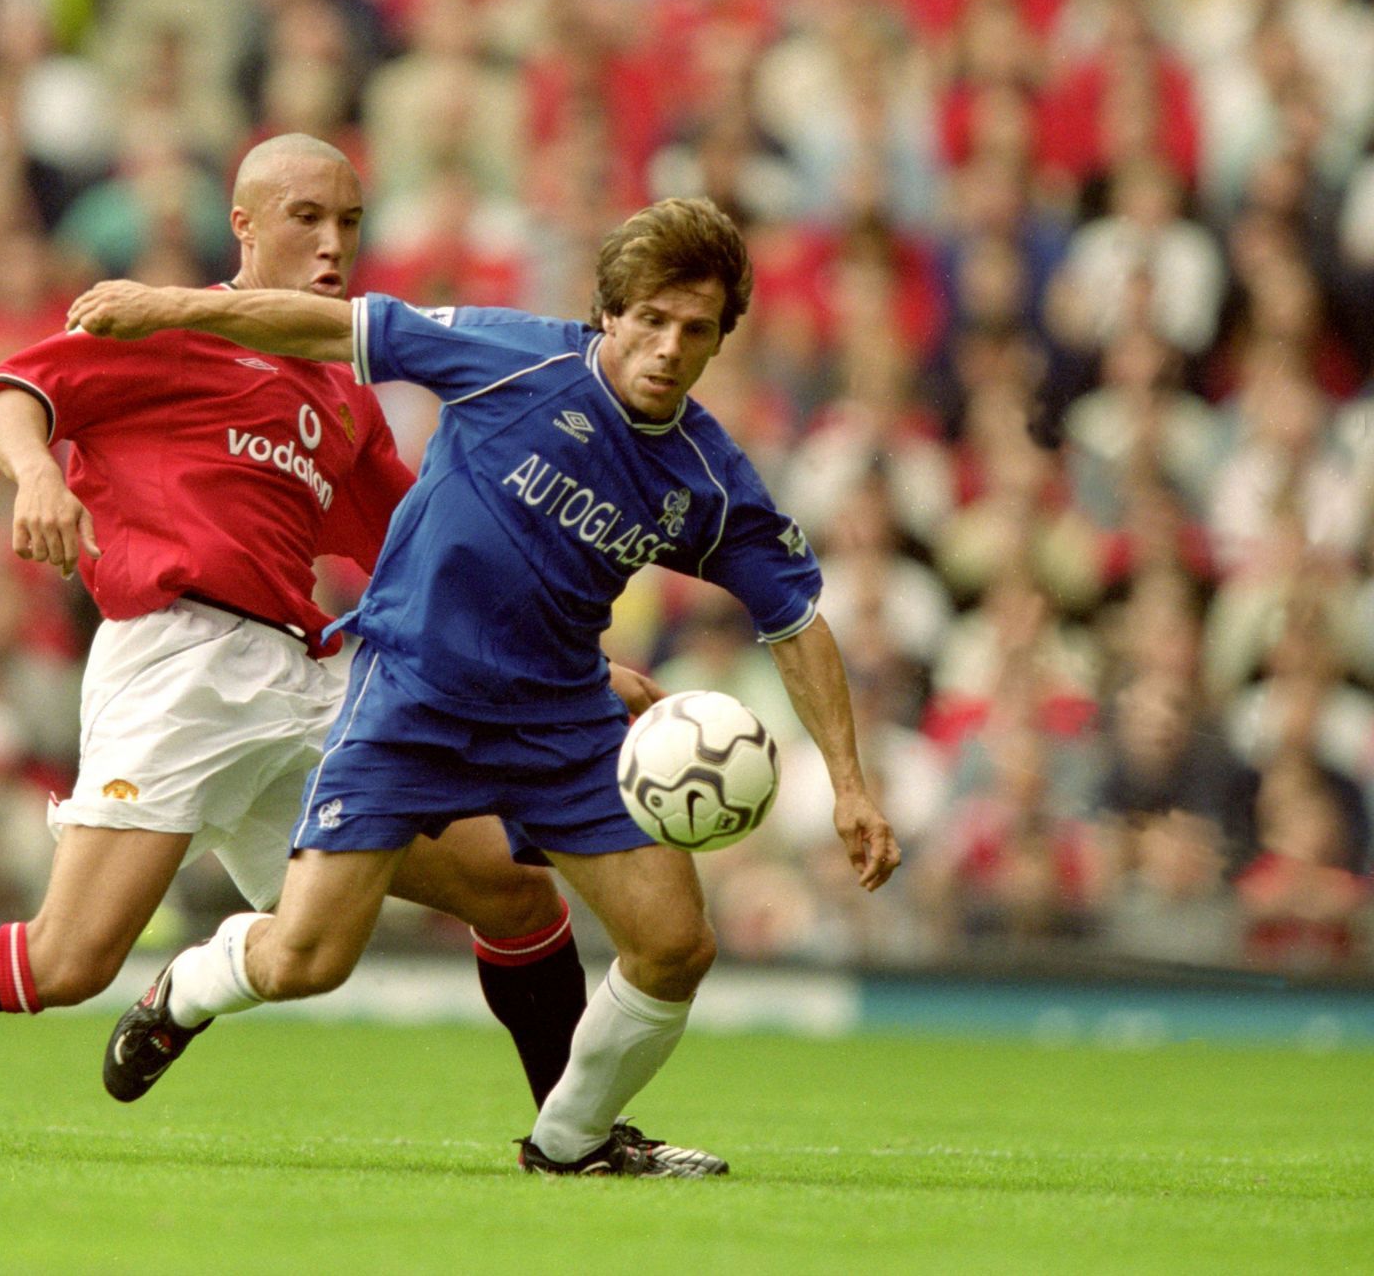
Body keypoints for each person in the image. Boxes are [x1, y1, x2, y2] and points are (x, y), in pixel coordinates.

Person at [0, 134, 649, 1139]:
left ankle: (576, 1140)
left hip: (302, 682)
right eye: (306, 217)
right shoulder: (174, 330)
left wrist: (567, 663)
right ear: (244, 226)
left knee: (510, 890)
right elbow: (15, 392)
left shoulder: (342, 397)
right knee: (65, 962)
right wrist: (40, 476)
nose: (332, 244)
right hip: (181, 664)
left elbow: (426, 558)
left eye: (348, 222)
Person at [71, 195, 901, 1177]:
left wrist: (848, 781)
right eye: (652, 320)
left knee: (676, 942)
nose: (669, 348)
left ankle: (571, 1142)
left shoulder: (705, 480)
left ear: (722, 340)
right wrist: (170, 307)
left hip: (560, 723)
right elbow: (330, 327)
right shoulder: (513, 357)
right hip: (410, 697)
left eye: (696, 330)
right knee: (309, 958)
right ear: (611, 314)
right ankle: (188, 991)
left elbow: (795, 621)